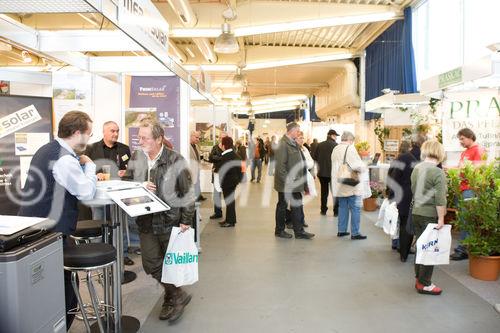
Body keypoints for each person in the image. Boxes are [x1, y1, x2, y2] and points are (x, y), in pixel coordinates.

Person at [18, 111, 97, 329]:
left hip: (35, 230)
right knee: (65, 291)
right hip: (47, 234)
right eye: (88, 135)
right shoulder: (64, 159)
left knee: (57, 285)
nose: (89, 140)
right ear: (78, 133)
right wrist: (90, 166)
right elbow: (86, 193)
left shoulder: (48, 149)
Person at [125, 118, 194, 322]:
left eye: (145, 138)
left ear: (158, 139)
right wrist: (140, 185)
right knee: (151, 264)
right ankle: (177, 294)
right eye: (139, 137)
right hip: (145, 221)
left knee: (170, 265)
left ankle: (171, 297)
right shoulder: (137, 157)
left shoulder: (175, 160)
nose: (140, 141)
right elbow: (128, 181)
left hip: (169, 220)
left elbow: (187, 193)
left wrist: (186, 220)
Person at [84, 121, 136, 266]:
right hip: (99, 195)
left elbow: (131, 170)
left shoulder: (124, 149)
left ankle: (123, 253)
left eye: (117, 131)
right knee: (98, 222)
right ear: (104, 132)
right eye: (112, 131)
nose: (115, 134)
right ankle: (96, 254)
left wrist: (126, 172)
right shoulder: (91, 149)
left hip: (119, 193)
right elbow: (83, 168)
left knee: (121, 223)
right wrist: (96, 175)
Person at [411, 140, 447, 295]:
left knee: (421, 246)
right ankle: (425, 283)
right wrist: (441, 218)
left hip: (416, 212)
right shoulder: (437, 172)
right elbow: (440, 199)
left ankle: (419, 279)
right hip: (429, 215)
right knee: (429, 249)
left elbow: (413, 189)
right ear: (439, 153)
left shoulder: (417, 168)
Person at [386, 135, 426, 262]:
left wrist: (391, 195)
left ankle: (404, 253)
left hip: (404, 196)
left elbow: (394, 178)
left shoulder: (403, 157)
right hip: (422, 195)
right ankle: (422, 253)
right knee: (422, 224)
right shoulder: (427, 158)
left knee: (404, 223)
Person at [450, 128, 486, 261]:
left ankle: (463, 249)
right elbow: (461, 168)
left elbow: (478, 169)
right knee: (463, 220)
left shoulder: (478, 150)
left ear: (470, 136)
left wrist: (458, 169)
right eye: (459, 139)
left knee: (466, 220)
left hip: (470, 189)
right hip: (462, 189)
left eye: (462, 138)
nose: (461, 141)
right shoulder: (465, 152)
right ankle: (464, 247)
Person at [274, 122, 314, 240]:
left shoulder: (293, 143)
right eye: (297, 131)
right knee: (283, 206)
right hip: (286, 184)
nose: (299, 133)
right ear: (291, 131)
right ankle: (280, 230)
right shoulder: (283, 144)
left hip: (296, 182)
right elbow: (280, 168)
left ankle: (299, 231)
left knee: (297, 206)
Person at [331, 131, 367, 240]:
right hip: (350, 183)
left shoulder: (335, 148)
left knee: (342, 207)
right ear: (350, 140)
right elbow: (357, 166)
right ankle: (355, 233)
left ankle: (341, 230)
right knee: (355, 208)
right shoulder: (350, 149)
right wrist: (364, 166)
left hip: (339, 182)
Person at [218, 137, 243, 227]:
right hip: (232, 182)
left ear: (224, 145)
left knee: (229, 202)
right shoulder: (234, 154)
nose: (220, 144)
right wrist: (238, 179)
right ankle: (229, 219)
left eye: (221, 143)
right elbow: (241, 167)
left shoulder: (226, 156)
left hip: (228, 182)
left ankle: (230, 221)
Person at [314, 129, 339, 216]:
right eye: (335, 136)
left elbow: (315, 158)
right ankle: (336, 211)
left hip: (322, 173)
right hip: (333, 173)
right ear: (332, 135)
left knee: (324, 192)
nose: (336, 137)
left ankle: (323, 210)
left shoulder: (320, 145)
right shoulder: (336, 145)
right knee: (335, 192)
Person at [208, 132, 228, 219]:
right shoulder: (215, 147)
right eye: (220, 137)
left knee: (228, 195)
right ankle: (218, 212)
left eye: (223, 137)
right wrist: (222, 158)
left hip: (227, 174)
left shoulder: (230, 148)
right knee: (216, 194)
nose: (221, 139)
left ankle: (229, 215)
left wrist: (218, 158)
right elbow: (211, 158)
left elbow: (231, 159)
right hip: (216, 174)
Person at [189, 130, 206, 202]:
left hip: (197, 168)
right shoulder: (187, 146)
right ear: (191, 136)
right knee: (192, 183)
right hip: (191, 169)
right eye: (196, 137)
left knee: (197, 182)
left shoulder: (196, 146)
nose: (198, 139)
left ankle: (198, 195)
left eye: (198, 138)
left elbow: (198, 157)